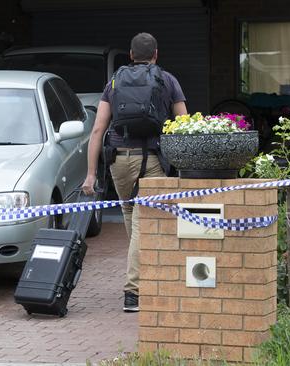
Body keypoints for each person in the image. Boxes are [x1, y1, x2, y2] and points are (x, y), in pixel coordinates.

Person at [82, 33, 187, 312]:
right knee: (144, 222)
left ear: (130, 54)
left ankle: (142, 275)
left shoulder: (114, 82)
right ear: (156, 54)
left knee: (132, 215)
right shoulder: (168, 80)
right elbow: (185, 125)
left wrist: (91, 174)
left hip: (119, 159)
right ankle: (134, 291)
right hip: (152, 159)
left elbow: (97, 129)